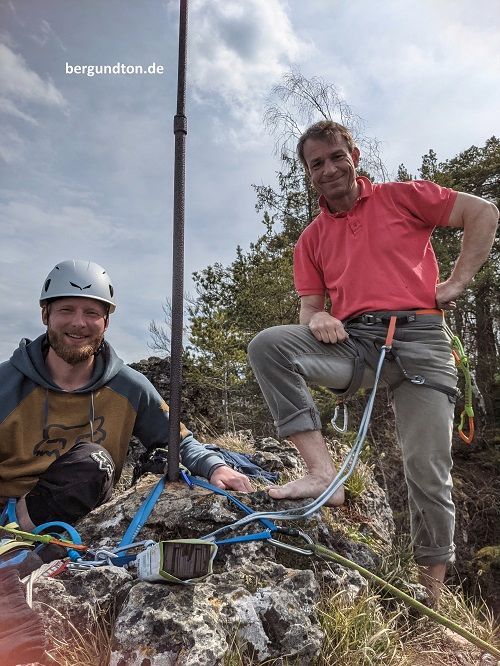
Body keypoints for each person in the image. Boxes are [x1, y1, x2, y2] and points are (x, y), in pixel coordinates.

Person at [248, 120, 498, 600]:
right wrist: (317, 318)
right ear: (308, 173)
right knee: (268, 345)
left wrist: (457, 282)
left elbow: (483, 212)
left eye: (336, 156)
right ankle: (323, 475)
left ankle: (432, 595)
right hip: (359, 343)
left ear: (355, 156)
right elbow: (309, 308)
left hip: (423, 340)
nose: (329, 169)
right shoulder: (312, 239)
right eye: (316, 163)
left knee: (427, 468)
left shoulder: (403, 196)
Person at [0, 259, 252, 532]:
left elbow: (176, 438)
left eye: (92, 313)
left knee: (94, 463)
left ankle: (19, 531)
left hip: (76, 512)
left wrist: (215, 467)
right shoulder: (6, 382)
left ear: (106, 322)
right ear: (45, 314)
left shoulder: (130, 387)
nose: (79, 323)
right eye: (66, 310)